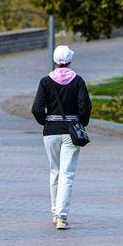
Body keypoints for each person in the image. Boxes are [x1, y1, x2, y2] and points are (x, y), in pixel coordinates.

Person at [31, 45, 91, 230]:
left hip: (50, 131)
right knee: (67, 174)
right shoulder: (78, 81)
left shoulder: (45, 81)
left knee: (55, 172)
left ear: (55, 61)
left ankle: (55, 212)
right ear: (70, 60)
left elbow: (36, 109)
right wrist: (80, 124)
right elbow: (85, 108)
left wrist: (46, 122)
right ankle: (62, 217)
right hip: (71, 132)